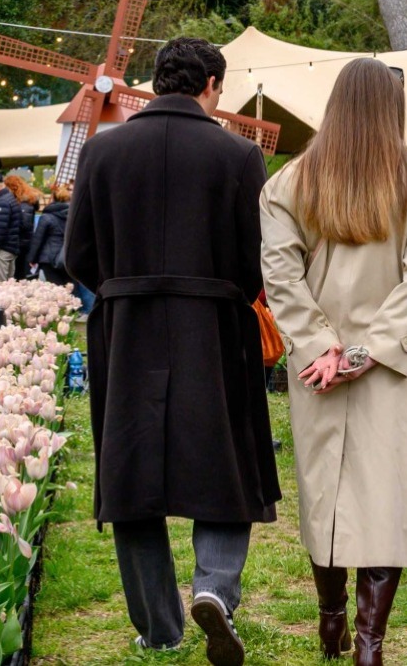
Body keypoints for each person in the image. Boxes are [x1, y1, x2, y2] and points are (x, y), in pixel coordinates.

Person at [65, 37, 280, 666]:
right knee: (227, 461)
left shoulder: (101, 151)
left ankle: (159, 628)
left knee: (130, 472)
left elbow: (77, 253)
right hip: (212, 324)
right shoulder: (239, 154)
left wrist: (125, 286)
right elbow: (255, 257)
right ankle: (213, 587)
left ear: (156, 82)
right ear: (212, 84)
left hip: (126, 325)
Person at [259, 58, 407, 666]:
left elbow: (280, 277)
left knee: (325, 492)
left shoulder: (289, 182)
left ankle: (332, 620)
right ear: (395, 107)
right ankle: (370, 643)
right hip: (393, 363)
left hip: (320, 366)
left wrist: (320, 346)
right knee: (387, 497)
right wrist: (369, 350)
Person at [27, 183, 71, 285]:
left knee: (55, 289)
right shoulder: (73, 216)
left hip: (48, 259)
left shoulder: (47, 217)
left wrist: (32, 259)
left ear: (53, 198)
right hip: (67, 258)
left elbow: (38, 239)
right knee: (69, 289)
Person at [4, 175, 41, 280]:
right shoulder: (23, 203)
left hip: (22, 246)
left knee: (21, 277)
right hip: (22, 244)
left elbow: (24, 225)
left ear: (13, 188)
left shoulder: (24, 204)